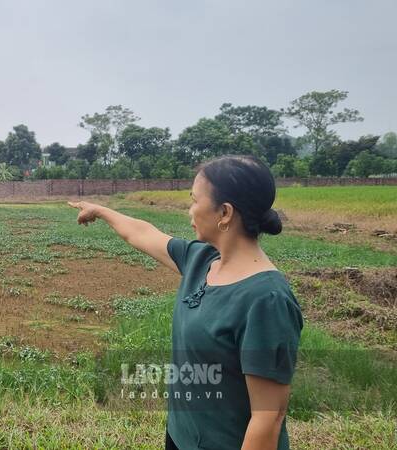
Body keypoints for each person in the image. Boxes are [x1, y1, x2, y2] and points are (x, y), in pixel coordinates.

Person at [69, 154, 303, 450]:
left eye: (194, 200)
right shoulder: (202, 260)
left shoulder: (266, 300)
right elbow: (143, 233)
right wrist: (100, 210)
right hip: (182, 436)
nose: (189, 211)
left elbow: (268, 419)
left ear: (225, 213)